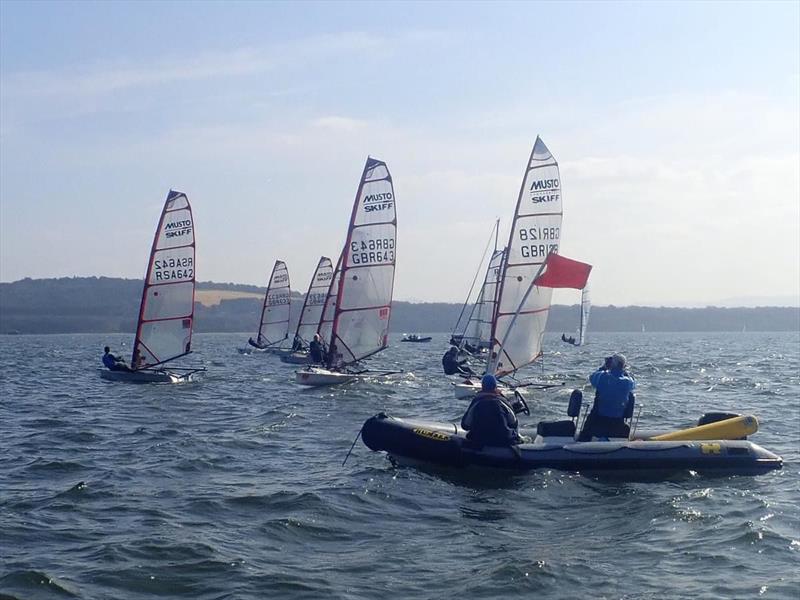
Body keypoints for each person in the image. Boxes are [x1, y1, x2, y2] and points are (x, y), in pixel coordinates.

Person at [578, 353, 636, 441]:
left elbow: (592, 377)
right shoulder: (628, 382)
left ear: (612, 364)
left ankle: (582, 441)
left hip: (599, 421)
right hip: (618, 423)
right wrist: (622, 368)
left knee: (587, 429)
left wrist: (604, 367)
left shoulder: (602, 377)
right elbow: (632, 382)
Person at [461, 374, 524, 446]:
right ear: (495, 386)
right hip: (503, 441)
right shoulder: (502, 401)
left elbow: (465, 425)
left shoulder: (476, 401)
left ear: (482, 386)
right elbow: (514, 423)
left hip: (478, 441)